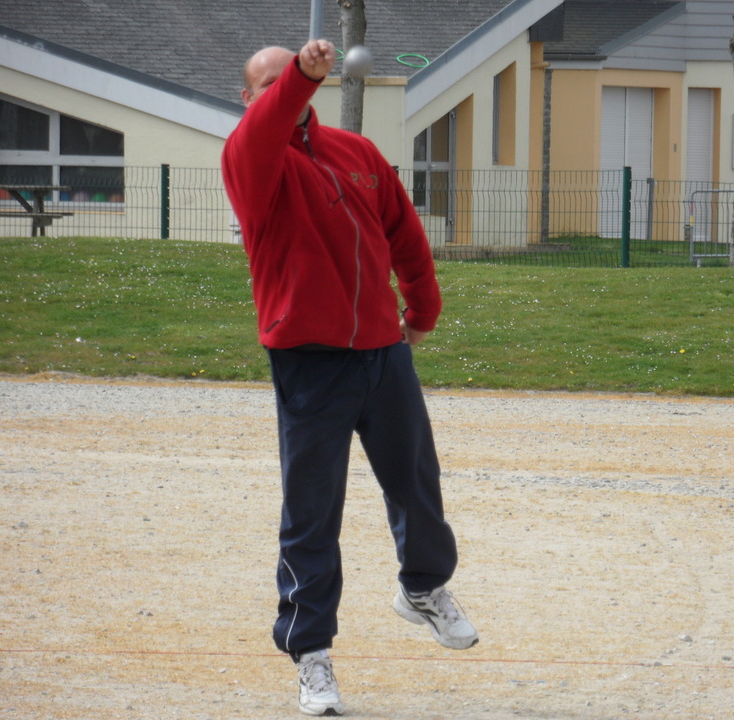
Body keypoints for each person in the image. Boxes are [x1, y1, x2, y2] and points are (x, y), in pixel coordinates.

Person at [221, 39, 478, 717]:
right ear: (251, 100)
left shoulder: (357, 154)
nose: (287, 92)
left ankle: (422, 587)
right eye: (270, 85)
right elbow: (277, 119)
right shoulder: (250, 159)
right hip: (309, 357)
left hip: (381, 348)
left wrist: (421, 306)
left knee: (417, 483)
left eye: (293, 79)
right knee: (312, 514)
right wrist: (301, 75)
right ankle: (310, 655)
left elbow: (403, 233)